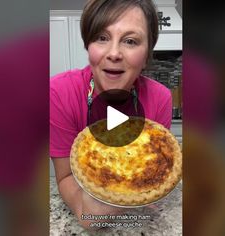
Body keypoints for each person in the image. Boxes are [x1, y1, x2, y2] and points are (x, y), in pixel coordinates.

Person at [50, 0, 172, 229]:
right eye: (102, 38)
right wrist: (87, 212)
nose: (114, 53)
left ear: (147, 55)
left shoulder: (160, 98)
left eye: (130, 41)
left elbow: (155, 176)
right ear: (88, 46)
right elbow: (66, 177)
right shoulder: (59, 93)